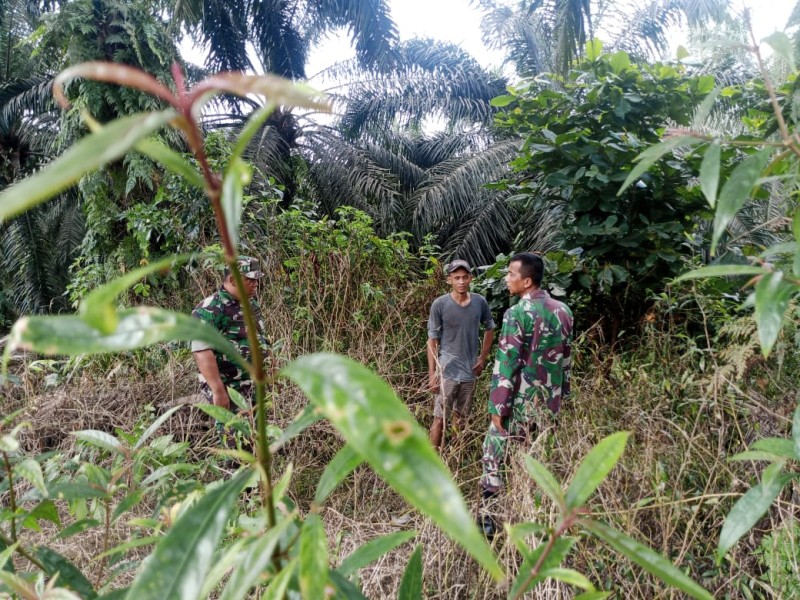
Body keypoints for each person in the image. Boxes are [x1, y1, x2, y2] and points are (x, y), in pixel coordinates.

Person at [478, 252, 572, 534]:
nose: (507, 279)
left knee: (494, 451)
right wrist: (563, 397)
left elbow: (507, 364)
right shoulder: (563, 311)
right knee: (537, 456)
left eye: (511, 275)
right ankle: (535, 515)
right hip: (549, 403)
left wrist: (498, 408)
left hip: (519, 403)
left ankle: (489, 521)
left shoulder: (516, 313)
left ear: (527, 281)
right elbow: (565, 360)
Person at [427, 259, 495, 449]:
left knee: (461, 418)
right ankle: (433, 461)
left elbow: (490, 328)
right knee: (439, 419)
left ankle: (455, 459)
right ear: (449, 280)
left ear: (471, 278)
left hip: (469, 372)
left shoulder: (479, 302)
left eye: (465, 277)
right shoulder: (440, 304)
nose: (461, 281)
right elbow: (432, 340)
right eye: (457, 278)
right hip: (446, 372)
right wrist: (433, 374)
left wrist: (483, 357)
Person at [191, 256, 270, 411]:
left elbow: (261, 338)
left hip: (254, 384)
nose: (256, 284)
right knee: (234, 432)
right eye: (251, 280)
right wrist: (218, 391)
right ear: (233, 280)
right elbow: (202, 351)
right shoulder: (209, 309)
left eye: (256, 280)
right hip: (230, 388)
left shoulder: (250, 303)